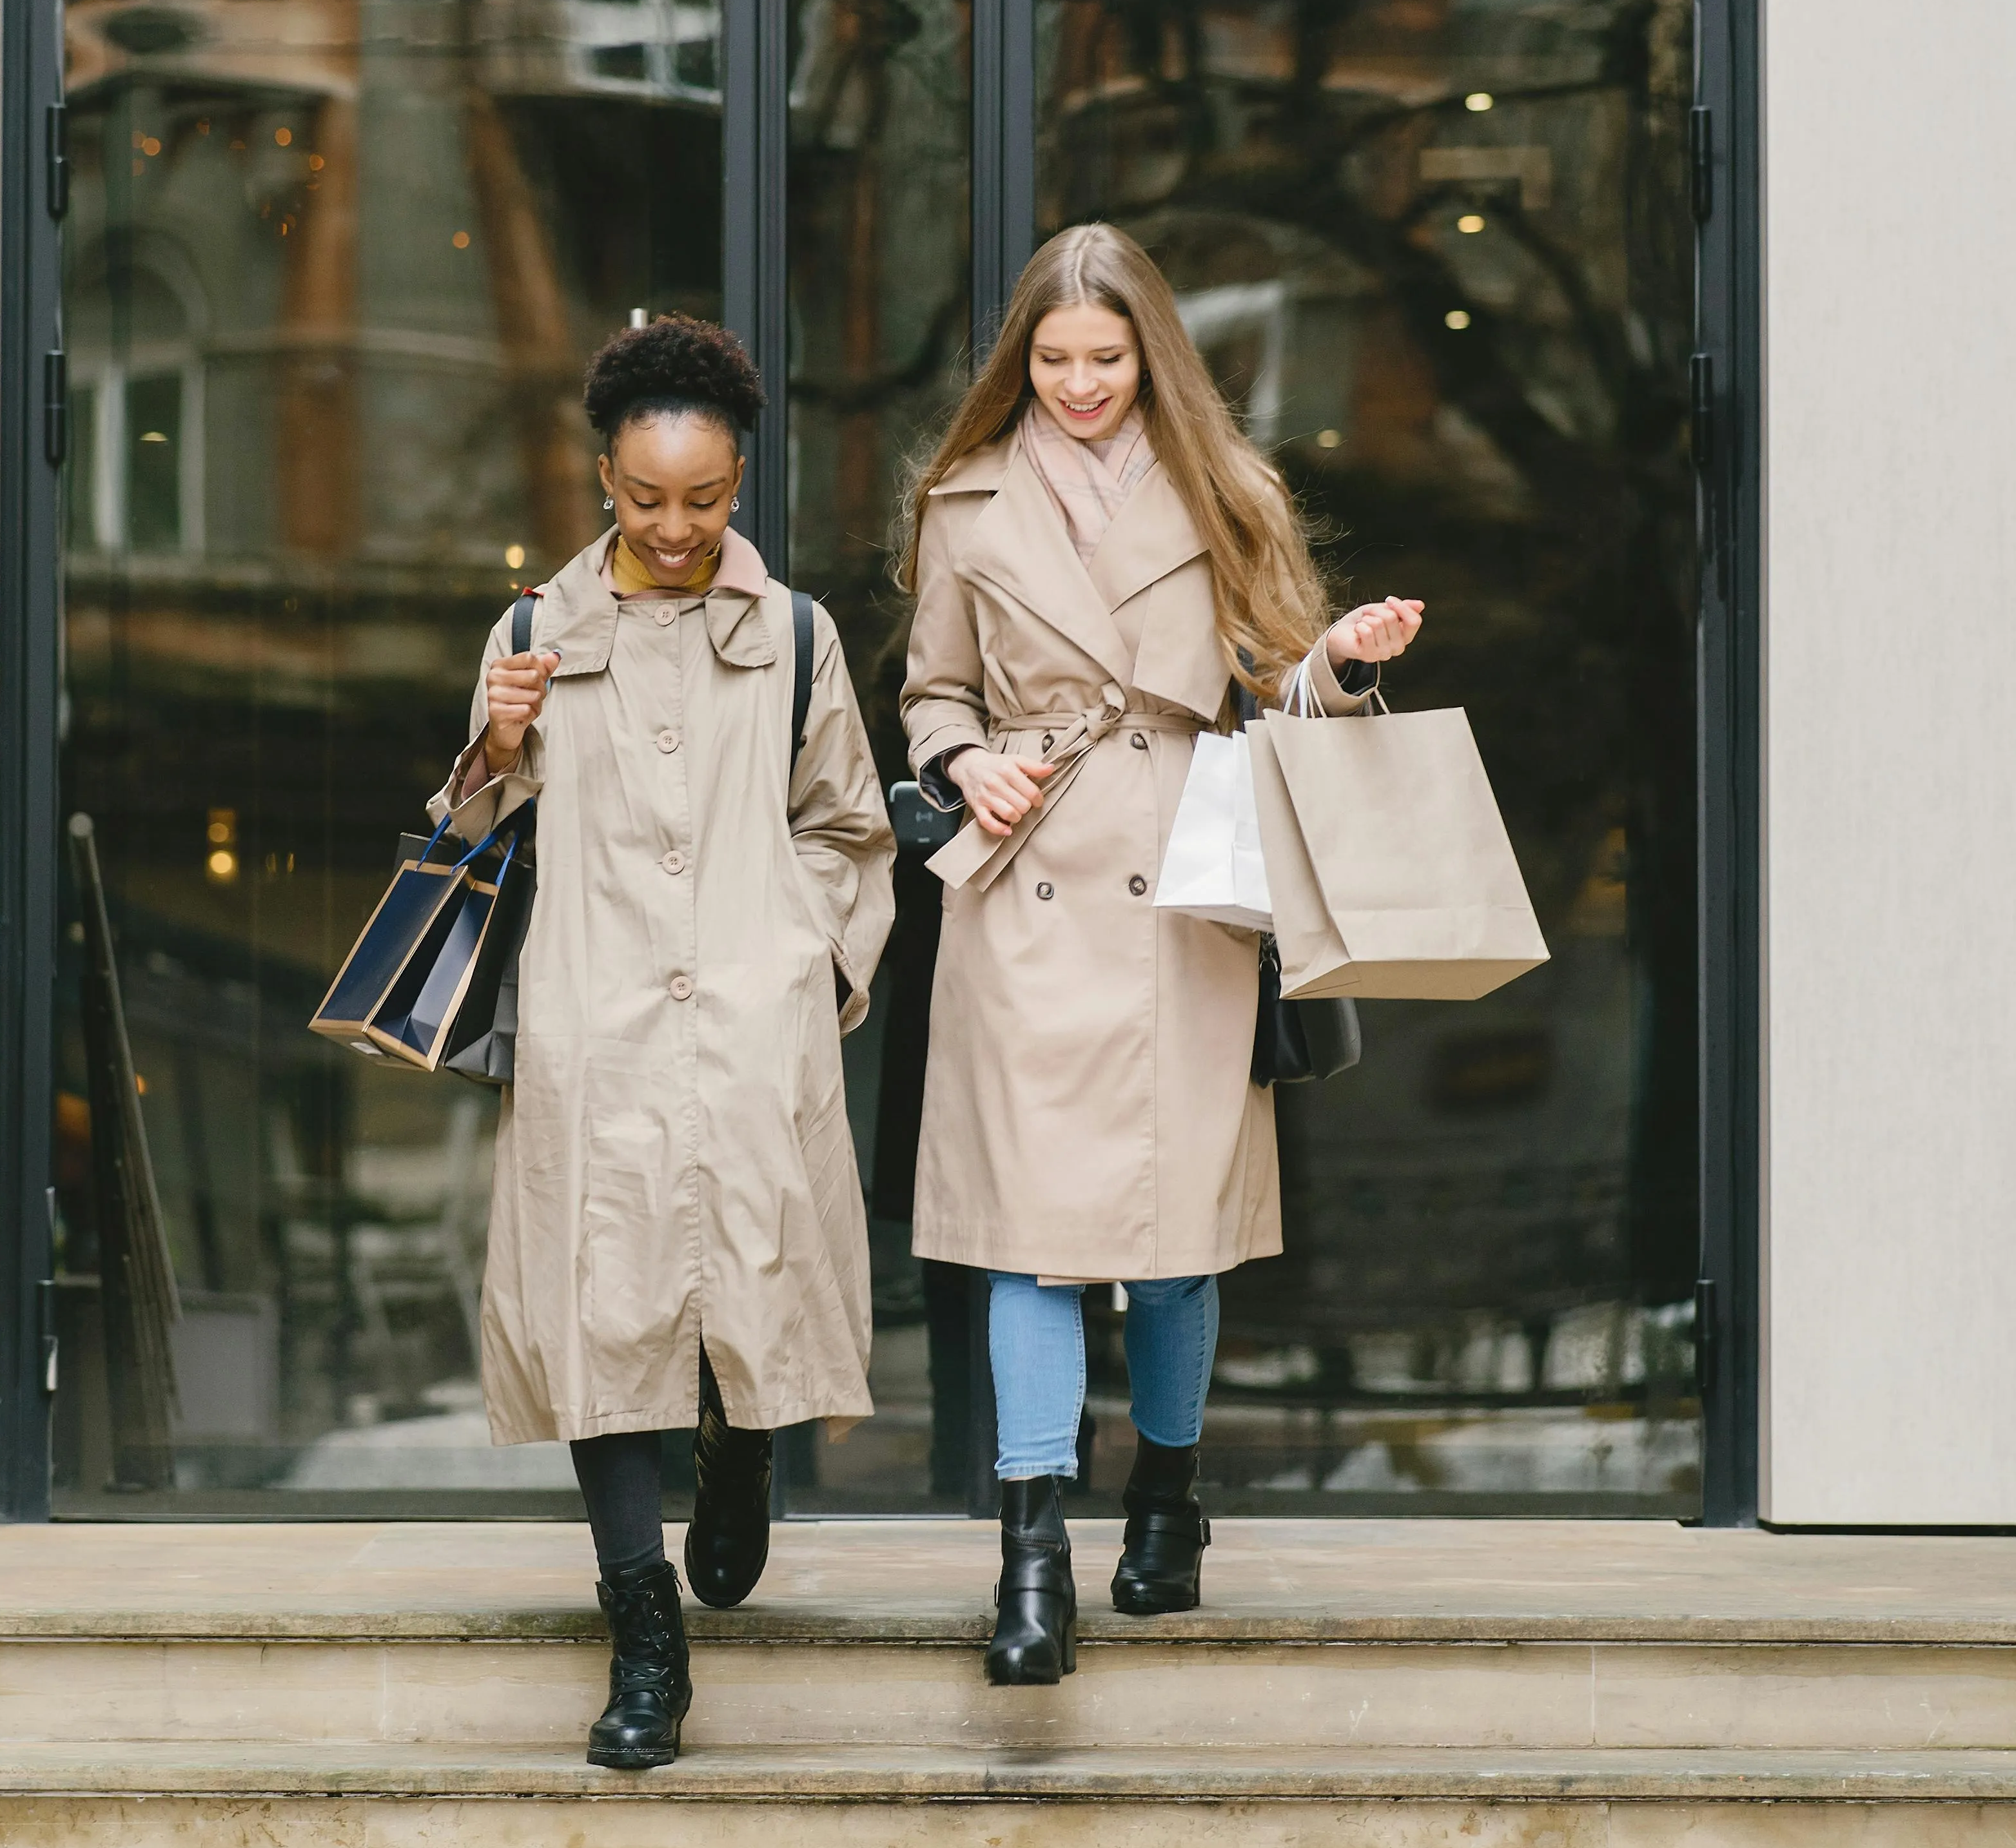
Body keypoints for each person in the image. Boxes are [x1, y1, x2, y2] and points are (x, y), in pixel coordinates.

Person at [899, 223, 1427, 1685]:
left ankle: (1169, 1499)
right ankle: (1030, 1563)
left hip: (1186, 892)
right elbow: (930, 691)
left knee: (1177, 1247)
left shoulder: (1224, 486)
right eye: (1055, 360)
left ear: (1151, 357)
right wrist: (967, 764)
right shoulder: (964, 499)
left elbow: (1279, 675)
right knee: (1031, 1241)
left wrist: (1350, 655)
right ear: (1026, 358)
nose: (1077, 384)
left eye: (1105, 360)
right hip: (1027, 897)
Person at [429, 316, 896, 1769]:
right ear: (604, 479)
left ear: (740, 479)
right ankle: (644, 1638)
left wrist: (804, 964)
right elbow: (468, 838)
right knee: (600, 1310)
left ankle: (741, 1443)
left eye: (705, 499)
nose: (677, 528)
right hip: (596, 1023)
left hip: (754, 1024)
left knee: (748, 1278)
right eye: (646, 500)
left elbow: (851, 826)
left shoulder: (801, 636)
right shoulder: (530, 634)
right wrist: (495, 750)